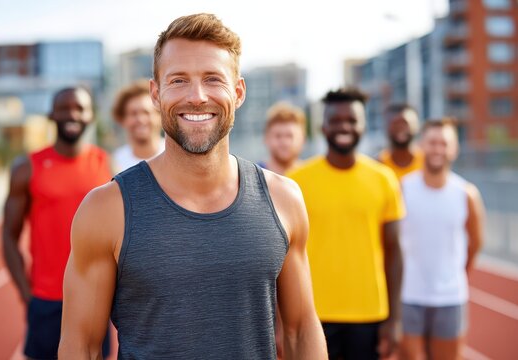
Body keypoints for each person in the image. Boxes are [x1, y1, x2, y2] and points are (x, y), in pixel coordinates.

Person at [59, 13, 327, 360]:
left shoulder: (283, 199)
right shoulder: (106, 209)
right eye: (179, 80)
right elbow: (82, 347)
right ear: (156, 94)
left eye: (213, 79)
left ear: (239, 92)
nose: (197, 96)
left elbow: (301, 329)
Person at [288, 88, 405, 360]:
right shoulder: (297, 181)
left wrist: (395, 319)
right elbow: (285, 255)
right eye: (335, 120)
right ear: (322, 126)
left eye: (352, 120)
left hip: (369, 313)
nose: (344, 127)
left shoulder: (384, 179)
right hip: (312, 315)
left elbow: (394, 251)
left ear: (363, 125)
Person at [2, 87, 112, 359]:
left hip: (95, 299)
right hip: (46, 299)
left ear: (90, 116)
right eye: (64, 108)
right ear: (52, 114)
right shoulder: (27, 168)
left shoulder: (105, 165)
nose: (72, 114)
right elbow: (8, 236)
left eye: (80, 108)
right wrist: (27, 295)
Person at [400, 119, 485, 360]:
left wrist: (457, 273)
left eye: (444, 143)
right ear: (421, 146)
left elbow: (476, 242)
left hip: (450, 297)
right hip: (409, 295)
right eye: (432, 142)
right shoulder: (403, 188)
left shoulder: (466, 194)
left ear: (455, 148)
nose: (438, 149)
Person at [112, 79, 164, 171]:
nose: (140, 119)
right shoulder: (114, 163)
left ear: (160, 116)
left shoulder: (176, 156)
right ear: (123, 119)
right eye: (133, 113)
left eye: (146, 112)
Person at [259, 101, 306, 175]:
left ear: (302, 139)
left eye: (290, 136)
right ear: (266, 139)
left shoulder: (313, 176)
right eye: (278, 136)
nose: (284, 142)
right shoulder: (252, 177)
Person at [378, 104, 423, 180]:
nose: (400, 128)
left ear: (416, 126)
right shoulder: (378, 165)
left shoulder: (428, 163)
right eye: (395, 123)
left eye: (404, 123)